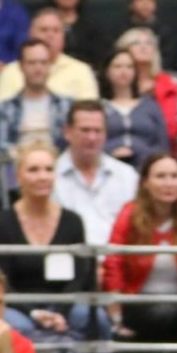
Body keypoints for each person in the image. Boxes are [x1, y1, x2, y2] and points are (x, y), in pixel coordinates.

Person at [0, 140, 94, 343]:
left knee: (95, 319)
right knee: (18, 327)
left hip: (65, 303)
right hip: (17, 304)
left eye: (48, 170)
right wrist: (34, 313)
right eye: (33, 170)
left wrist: (59, 312)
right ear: (18, 176)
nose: (42, 177)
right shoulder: (3, 223)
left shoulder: (73, 221)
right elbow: (1, 281)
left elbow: (81, 277)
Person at [104, 151, 177, 343]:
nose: (169, 183)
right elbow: (113, 262)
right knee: (163, 313)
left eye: (175, 176)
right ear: (145, 182)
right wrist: (115, 315)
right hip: (139, 301)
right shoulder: (129, 213)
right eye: (161, 176)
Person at [53, 103, 139, 246]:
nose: (92, 137)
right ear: (67, 132)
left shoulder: (127, 176)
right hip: (67, 261)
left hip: (117, 261)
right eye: (85, 130)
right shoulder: (50, 176)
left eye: (98, 131)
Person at [0, 40, 71, 166]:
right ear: (21, 66)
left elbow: (72, 145)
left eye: (43, 62)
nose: (38, 68)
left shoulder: (68, 105)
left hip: (59, 169)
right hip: (17, 169)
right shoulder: (3, 108)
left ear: (51, 65)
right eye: (32, 63)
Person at [98, 47, 170, 163]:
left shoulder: (150, 106)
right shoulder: (99, 107)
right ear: (107, 71)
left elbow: (162, 143)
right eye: (117, 66)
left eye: (129, 66)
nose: (124, 71)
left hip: (146, 168)